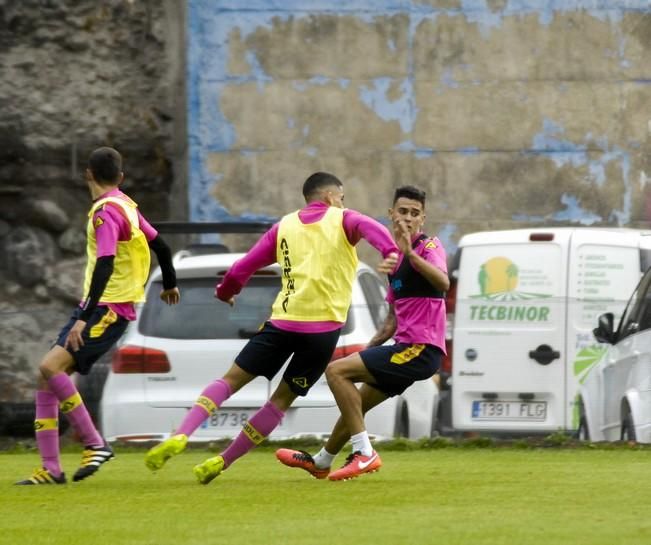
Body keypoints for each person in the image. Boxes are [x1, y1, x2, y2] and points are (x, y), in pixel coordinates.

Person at [144, 172, 399, 484]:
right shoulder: (343, 218)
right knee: (279, 402)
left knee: (229, 381)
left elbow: (244, 266)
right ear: (333, 197)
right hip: (322, 333)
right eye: (342, 199)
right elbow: (372, 229)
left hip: (283, 323)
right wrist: (390, 252)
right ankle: (223, 461)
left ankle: (182, 434)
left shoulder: (284, 227)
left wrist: (226, 292)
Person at [16, 147, 180, 485]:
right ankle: (51, 468)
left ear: (87, 174)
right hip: (101, 306)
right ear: (120, 177)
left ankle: (95, 443)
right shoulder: (127, 206)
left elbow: (105, 264)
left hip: (108, 308)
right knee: (46, 377)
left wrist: (82, 317)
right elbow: (161, 246)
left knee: (49, 367)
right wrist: (169, 284)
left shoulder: (105, 212)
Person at [276, 185, 448, 480]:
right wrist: (371, 347)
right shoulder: (394, 263)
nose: (407, 218)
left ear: (423, 219)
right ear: (391, 214)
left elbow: (443, 282)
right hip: (403, 347)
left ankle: (365, 453)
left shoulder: (428, 248)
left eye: (415, 213)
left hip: (421, 349)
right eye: (402, 211)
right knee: (354, 408)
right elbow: (393, 321)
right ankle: (322, 460)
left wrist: (413, 256)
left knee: (336, 372)